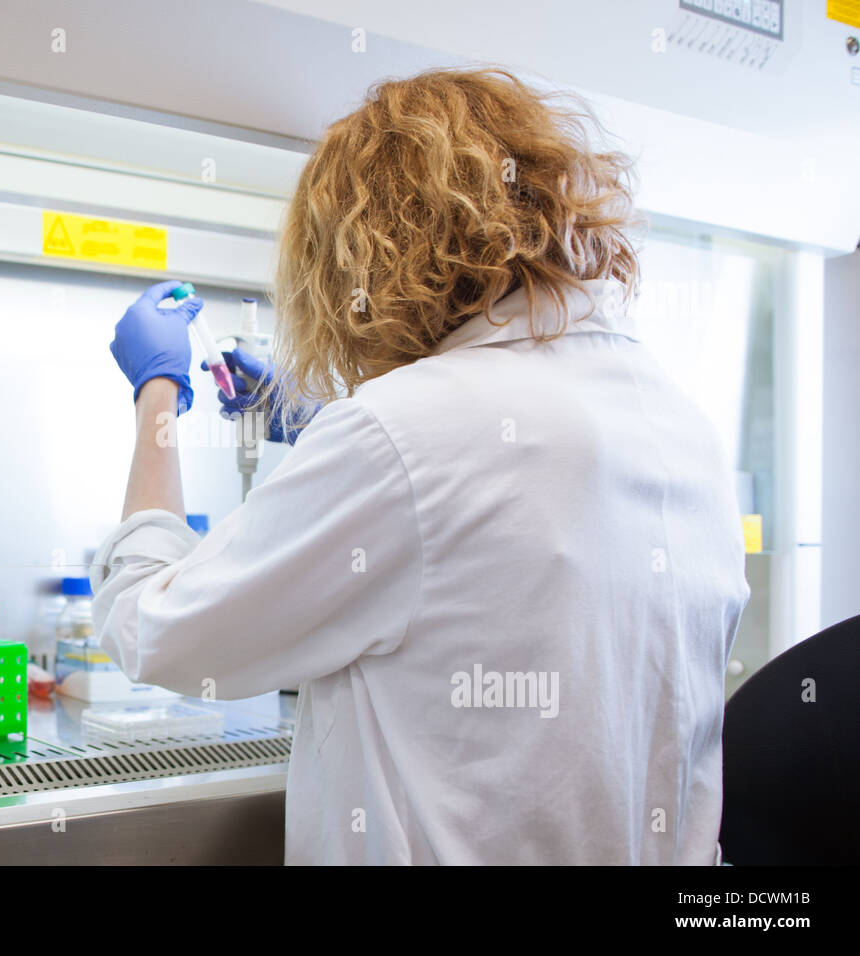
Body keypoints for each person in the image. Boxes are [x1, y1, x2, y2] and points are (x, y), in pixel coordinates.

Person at [95, 68, 749, 865]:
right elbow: (475, 563)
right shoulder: (680, 419)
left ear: (360, 255)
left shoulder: (402, 434)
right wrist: (316, 433)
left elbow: (155, 631)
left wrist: (155, 397)